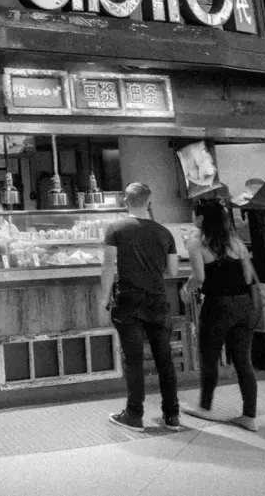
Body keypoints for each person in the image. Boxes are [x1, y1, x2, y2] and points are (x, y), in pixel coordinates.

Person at [100, 182, 181, 431]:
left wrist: (104, 298)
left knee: (133, 360)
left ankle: (134, 415)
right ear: (149, 201)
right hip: (157, 301)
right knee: (164, 358)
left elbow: (108, 266)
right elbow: (173, 270)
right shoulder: (165, 232)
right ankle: (172, 416)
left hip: (128, 301)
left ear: (125, 200)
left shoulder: (115, 228)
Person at [182, 199, 258, 432]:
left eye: (196, 215)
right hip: (245, 306)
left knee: (209, 357)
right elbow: (247, 277)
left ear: (201, 219)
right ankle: (249, 416)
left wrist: (186, 290)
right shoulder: (236, 243)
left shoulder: (198, 243)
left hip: (218, 307)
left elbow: (199, 277)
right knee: (244, 361)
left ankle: (205, 407)